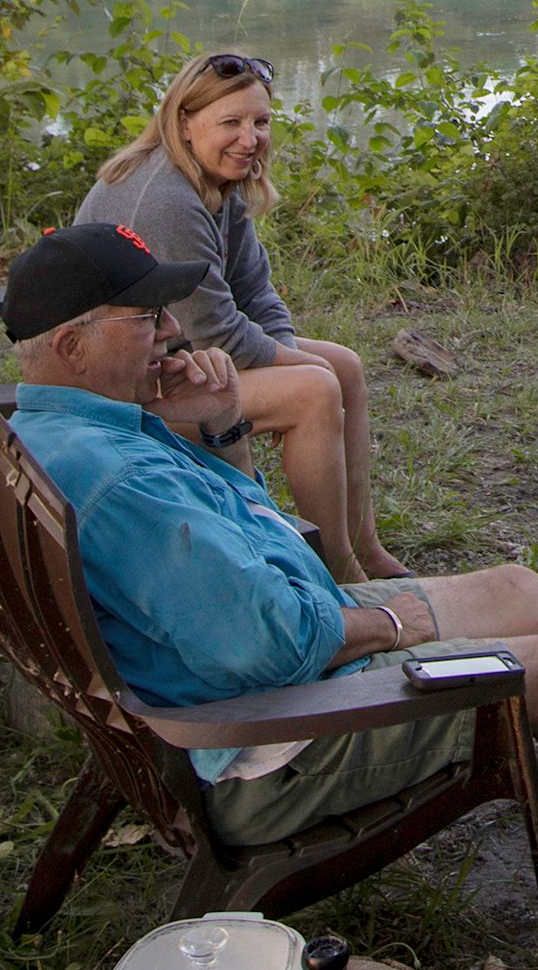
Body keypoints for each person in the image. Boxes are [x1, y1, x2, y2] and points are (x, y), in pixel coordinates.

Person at [1, 222, 538, 839]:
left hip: (260, 664)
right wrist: (391, 623)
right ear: (72, 345)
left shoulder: (77, 432)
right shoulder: (122, 480)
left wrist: (223, 430)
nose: (171, 332)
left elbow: (252, 541)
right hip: (264, 746)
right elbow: (271, 648)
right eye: (146, 319)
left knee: (514, 588)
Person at [75, 48, 405, 579]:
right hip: (119, 391)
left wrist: (291, 353)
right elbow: (214, 333)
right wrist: (299, 371)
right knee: (315, 389)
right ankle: (340, 575)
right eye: (231, 122)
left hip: (171, 358)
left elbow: (255, 293)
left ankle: (363, 547)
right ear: (184, 122)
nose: (250, 139)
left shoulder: (215, 184)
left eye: (261, 122)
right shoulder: (165, 199)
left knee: (342, 365)